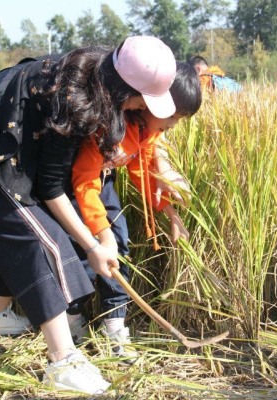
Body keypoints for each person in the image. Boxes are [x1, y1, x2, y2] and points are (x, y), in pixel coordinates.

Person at [0, 36, 177, 395]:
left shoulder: (97, 77)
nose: (140, 107)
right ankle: (63, 362)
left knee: (42, 231)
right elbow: (50, 186)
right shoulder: (76, 100)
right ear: (123, 88)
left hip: (5, 147)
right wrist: (92, 245)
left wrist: (99, 237)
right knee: (40, 239)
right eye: (141, 98)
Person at [66, 62, 201, 362]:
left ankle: (114, 325)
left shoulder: (146, 130)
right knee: (80, 252)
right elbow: (83, 179)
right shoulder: (108, 127)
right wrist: (99, 233)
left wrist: (170, 214)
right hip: (75, 187)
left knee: (119, 242)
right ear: (153, 102)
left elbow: (142, 171)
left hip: (103, 182)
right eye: (173, 116)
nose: (173, 125)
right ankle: (72, 321)